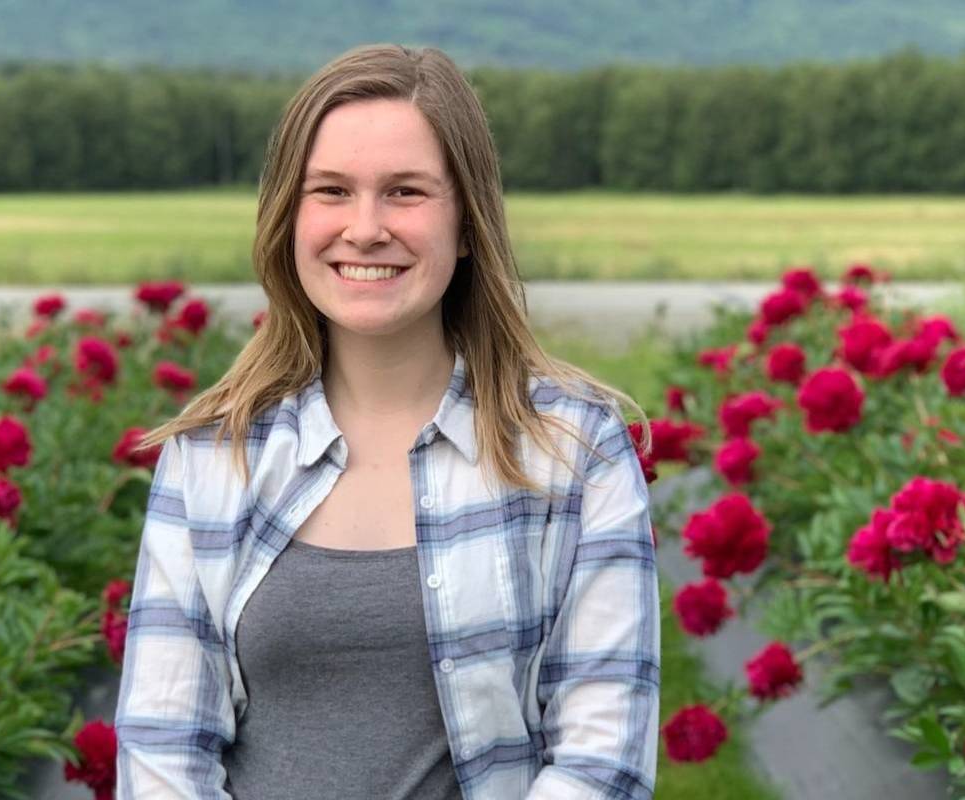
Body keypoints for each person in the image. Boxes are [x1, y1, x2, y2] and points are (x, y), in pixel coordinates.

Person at [114, 43, 659, 800]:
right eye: (331, 191)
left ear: (468, 224)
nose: (365, 228)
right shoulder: (211, 457)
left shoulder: (572, 451)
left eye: (405, 192)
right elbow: (163, 753)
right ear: (288, 219)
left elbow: (603, 762)